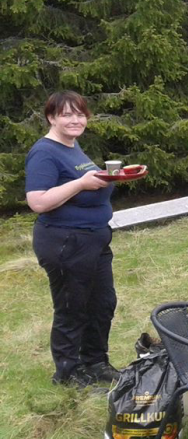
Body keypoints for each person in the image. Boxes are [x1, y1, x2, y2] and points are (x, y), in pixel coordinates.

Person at [25, 91, 120, 391]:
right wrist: (80, 183)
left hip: (94, 240)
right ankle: (67, 374)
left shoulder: (72, 146)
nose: (75, 119)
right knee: (72, 307)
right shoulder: (45, 151)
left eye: (79, 113)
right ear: (51, 117)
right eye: (66, 114)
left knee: (102, 303)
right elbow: (37, 201)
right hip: (65, 241)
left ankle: (95, 363)